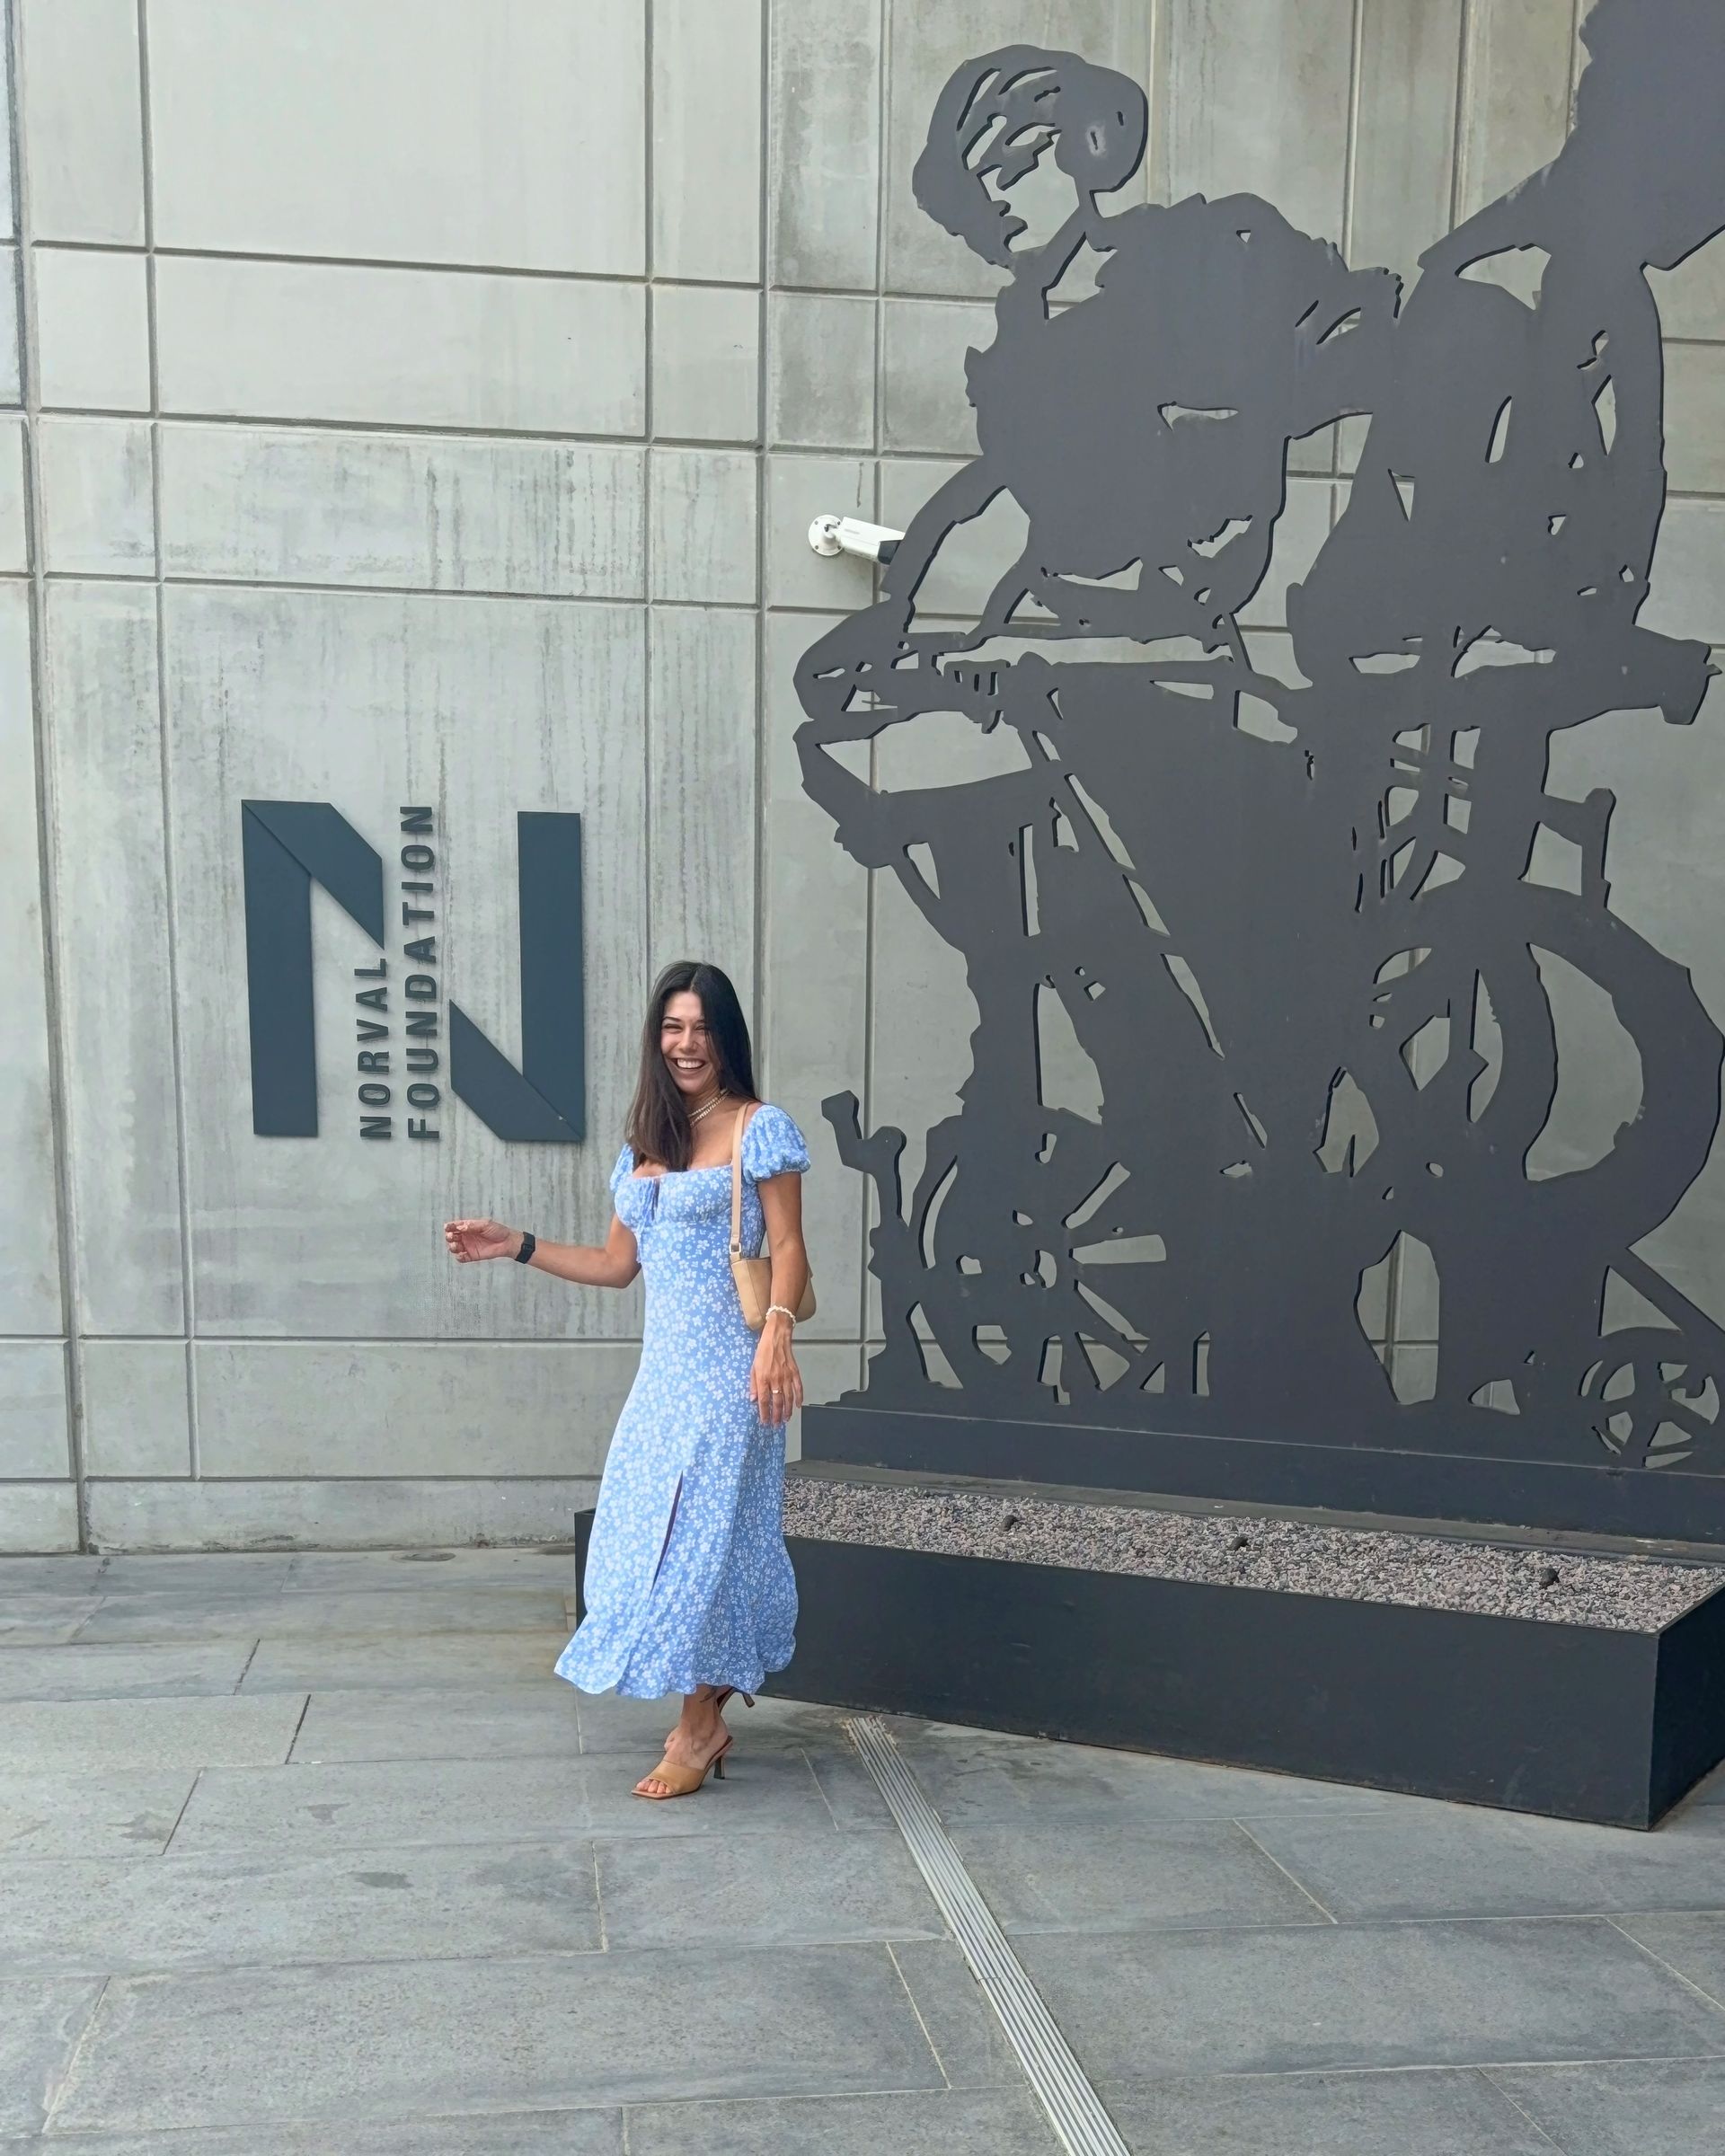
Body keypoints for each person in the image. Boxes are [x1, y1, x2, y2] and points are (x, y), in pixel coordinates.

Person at [442, 960, 810, 1799]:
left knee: (702, 1540)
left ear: (727, 1037)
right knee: (640, 1538)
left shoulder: (761, 1129)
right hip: (662, 1383)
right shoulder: (647, 1141)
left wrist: (777, 1338)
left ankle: (695, 1727)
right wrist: (517, 1244)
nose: (687, 1044)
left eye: (702, 1027)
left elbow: (787, 1247)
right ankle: (707, 1708)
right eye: (673, 1028)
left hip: (735, 1376)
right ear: (657, 1039)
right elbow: (616, 1266)